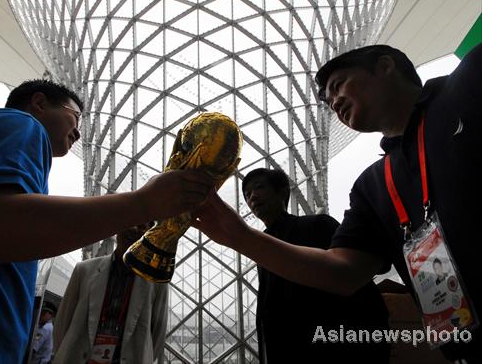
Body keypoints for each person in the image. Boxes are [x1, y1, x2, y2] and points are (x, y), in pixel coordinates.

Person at [192, 44, 482, 362]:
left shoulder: (469, 82)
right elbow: (343, 272)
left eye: (339, 85)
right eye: (329, 103)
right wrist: (238, 236)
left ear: (385, 66)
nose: (335, 103)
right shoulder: (372, 186)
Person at [0, 79, 213, 363]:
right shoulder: (19, 124)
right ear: (39, 103)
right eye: (75, 117)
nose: (78, 132)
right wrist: (143, 203)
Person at [242, 168, 389, 363]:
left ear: (282, 192)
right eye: (247, 194)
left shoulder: (317, 225)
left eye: (259, 187)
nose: (252, 196)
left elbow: (356, 280)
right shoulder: (262, 246)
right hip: (287, 348)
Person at [53, 224, 168, 364]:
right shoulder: (83, 270)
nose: (134, 229)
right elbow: (62, 324)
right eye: (131, 222)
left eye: (142, 226)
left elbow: (157, 336)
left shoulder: (157, 282)